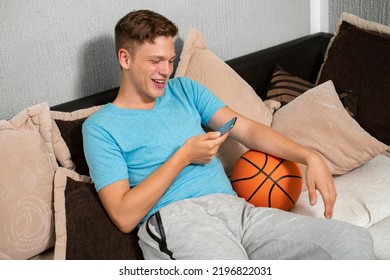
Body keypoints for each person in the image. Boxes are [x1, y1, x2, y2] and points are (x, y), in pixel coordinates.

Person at [82, 9, 376, 260]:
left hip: (237, 209)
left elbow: (246, 129)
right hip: (176, 219)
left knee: (352, 242)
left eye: (170, 60)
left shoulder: (185, 89)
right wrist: (183, 157)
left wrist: (309, 156)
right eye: (155, 60)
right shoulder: (101, 127)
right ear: (125, 58)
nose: (166, 71)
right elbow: (123, 216)